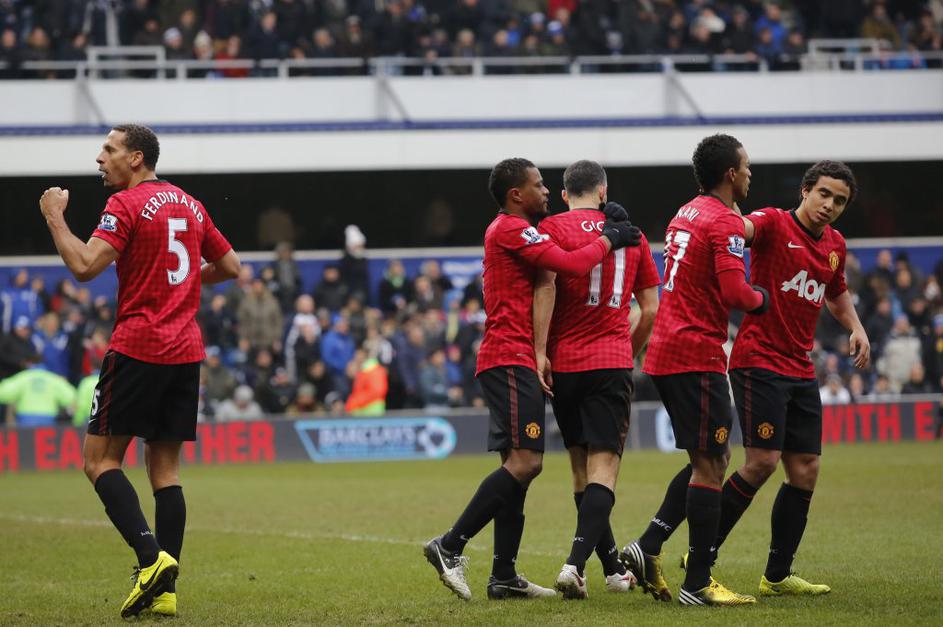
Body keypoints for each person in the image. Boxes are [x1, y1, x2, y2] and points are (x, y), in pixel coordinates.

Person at [38, 124, 241, 618]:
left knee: (99, 461)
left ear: (135, 158)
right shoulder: (190, 204)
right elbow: (231, 267)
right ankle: (166, 590)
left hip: (138, 347)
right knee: (165, 470)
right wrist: (186, 284)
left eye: (109, 149)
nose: (100, 158)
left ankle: (151, 561)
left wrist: (54, 217)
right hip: (185, 350)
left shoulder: (126, 204)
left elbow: (85, 266)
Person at [422, 157, 641, 601]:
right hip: (510, 356)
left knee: (517, 470)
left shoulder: (523, 230)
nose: (546, 191)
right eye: (539, 185)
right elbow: (570, 264)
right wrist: (611, 235)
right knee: (527, 462)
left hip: (513, 356)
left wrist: (604, 216)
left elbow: (554, 260)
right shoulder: (509, 228)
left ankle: (503, 575)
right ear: (516, 194)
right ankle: (450, 544)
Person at [620, 134, 768, 607]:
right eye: (747, 167)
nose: (750, 174)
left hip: (667, 347)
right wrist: (765, 299)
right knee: (711, 463)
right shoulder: (725, 222)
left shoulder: (686, 212)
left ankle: (647, 546)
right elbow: (736, 293)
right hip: (695, 351)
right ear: (731, 173)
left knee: (709, 459)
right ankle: (698, 582)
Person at [715, 160, 870, 596]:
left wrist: (856, 327)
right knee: (762, 461)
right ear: (805, 190)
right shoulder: (772, 222)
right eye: (824, 194)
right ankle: (701, 557)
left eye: (839, 200)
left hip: (799, 367)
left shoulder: (835, 244)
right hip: (758, 360)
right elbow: (739, 229)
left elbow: (835, 292)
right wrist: (720, 217)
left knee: (805, 469)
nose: (830, 205)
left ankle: (777, 576)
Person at [530, 160, 660, 598]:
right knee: (603, 470)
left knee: (580, 470)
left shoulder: (552, 228)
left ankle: (612, 570)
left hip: (564, 364)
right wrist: (628, 350)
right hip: (610, 361)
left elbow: (544, 289)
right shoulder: (632, 235)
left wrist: (542, 350)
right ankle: (574, 565)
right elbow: (651, 309)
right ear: (603, 191)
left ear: (565, 194)